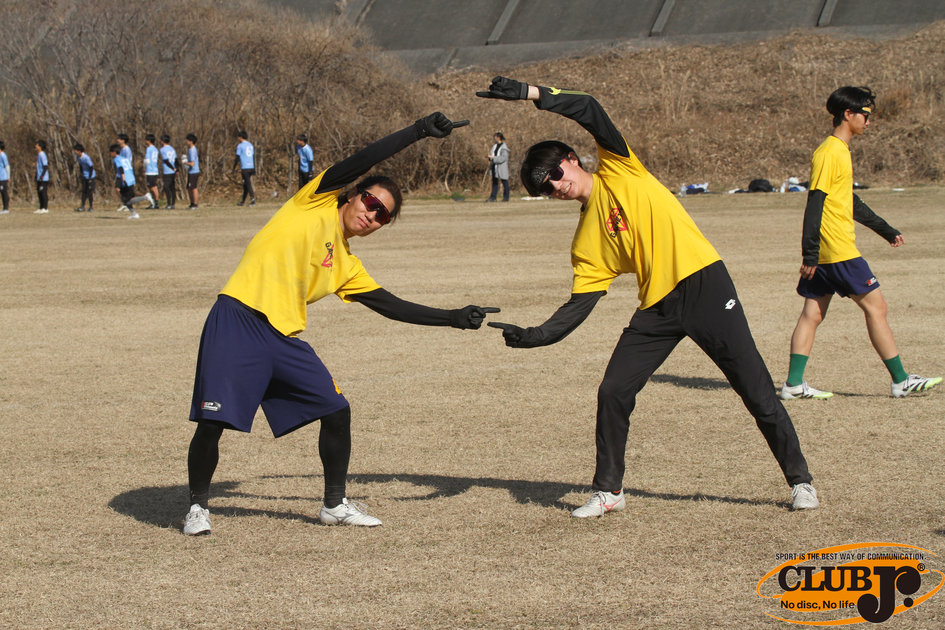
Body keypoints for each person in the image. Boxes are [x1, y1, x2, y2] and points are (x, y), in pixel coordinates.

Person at [476, 76, 818, 518]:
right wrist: (536, 335)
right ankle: (609, 491)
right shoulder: (585, 241)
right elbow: (579, 305)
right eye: (545, 188)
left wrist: (531, 93)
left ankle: (801, 482)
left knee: (754, 389)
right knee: (613, 390)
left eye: (555, 174)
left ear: (572, 160)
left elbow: (590, 108)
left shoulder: (621, 169)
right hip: (658, 307)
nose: (556, 186)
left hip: (705, 285)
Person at [182, 112, 494, 536]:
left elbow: (391, 305)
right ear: (352, 194)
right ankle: (197, 507)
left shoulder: (347, 264)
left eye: (383, 216)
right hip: (237, 318)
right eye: (370, 202)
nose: (372, 215)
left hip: (282, 337)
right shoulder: (315, 201)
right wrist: (418, 132)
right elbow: (363, 158)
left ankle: (334, 504)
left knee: (336, 410)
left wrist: (453, 318)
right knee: (213, 422)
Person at [780, 86, 941, 400]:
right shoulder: (830, 152)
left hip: (827, 252)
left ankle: (793, 385)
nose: (868, 121)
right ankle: (901, 380)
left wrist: (885, 230)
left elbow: (848, 201)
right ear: (847, 114)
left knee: (812, 314)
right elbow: (815, 203)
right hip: (837, 250)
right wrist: (809, 254)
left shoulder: (839, 151)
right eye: (865, 115)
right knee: (876, 307)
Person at [109, 143, 153, 219]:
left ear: (114, 152)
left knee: (128, 200)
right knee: (121, 194)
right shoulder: (124, 159)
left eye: (111, 152)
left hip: (125, 179)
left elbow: (121, 168)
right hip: (130, 178)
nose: (110, 154)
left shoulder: (116, 159)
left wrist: (123, 178)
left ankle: (145, 197)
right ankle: (134, 213)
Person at [233, 130, 255, 206]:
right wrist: (254, 168)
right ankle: (243, 201)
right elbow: (253, 156)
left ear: (241, 137)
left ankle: (253, 200)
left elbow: (237, 157)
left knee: (248, 184)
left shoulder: (240, 146)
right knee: (245, 184)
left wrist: (233, 168)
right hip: (251, 166)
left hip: (245, 167)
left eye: (238, 137)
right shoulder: (250, 145)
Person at [486, 132, 510, 202]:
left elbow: (504, 158)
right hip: (494, 166)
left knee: (504, 182)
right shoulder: (494, 146)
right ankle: (493, 197)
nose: (494, 138)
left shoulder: (504, 147)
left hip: (501, 168)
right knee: (494, 182)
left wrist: (494, 158)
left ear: (499, 137)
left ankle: (506, 197)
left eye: (496, 137)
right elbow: (492, 154)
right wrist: (490, 158)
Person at [73, 143, 96, 212]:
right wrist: (82, 174)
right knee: (84, 191)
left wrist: (90, 177)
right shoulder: (78, 157)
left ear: (79, 151)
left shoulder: (86, 157)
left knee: (89, 191)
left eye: (76, 150)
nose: (75, 152)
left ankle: (91, 207)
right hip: (84, 176)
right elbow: (80, 165)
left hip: (90, 176)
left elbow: (91, 167)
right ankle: (82, 206)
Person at [159, 134, 178, 209]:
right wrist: (176, 168)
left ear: (162, 141)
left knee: (166, 187)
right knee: (172, 187)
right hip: (173, 171)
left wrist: (173, 168)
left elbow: (166, 160)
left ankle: (169, 204)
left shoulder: (163, 149)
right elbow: (176, 160)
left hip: (167, 171)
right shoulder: (172, 149)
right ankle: (173, 204)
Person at [143, 134, 161, 209]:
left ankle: (155, 203)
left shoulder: (149, 149)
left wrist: (144, 167)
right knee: (153, 186)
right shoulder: (155, 149)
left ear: (149, 141)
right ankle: (154, 202)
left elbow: (147, 160)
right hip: (155, 169)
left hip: (150, 170)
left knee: (152, 187)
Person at [184, 133, 200, 209]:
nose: (186, 141)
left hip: (194, 171)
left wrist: (185, 162)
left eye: (187, 140)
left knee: (193, 188)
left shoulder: (192, 150)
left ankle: (195, 204)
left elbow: (192, 163)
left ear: (191, 141)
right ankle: (192, 203)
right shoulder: (190, 149)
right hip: (191, 171)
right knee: (189, 188)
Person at [34, 140, 50, 214]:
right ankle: (41, 207)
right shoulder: (39, 154)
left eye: (37, 145)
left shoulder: (42, 154)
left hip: (44, 178)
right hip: (39, 177)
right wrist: (36, 176)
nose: (35, 146)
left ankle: (45, 208)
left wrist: (42, 176)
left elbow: (45, 166)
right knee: (39, 192)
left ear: (40, 147)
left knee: (43, 193)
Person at [0, 140, 9, 214]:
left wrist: (8, 176)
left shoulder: (3, 155)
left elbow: (7, 166)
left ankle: (6, 208)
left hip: (3, 177)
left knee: (4, 193)